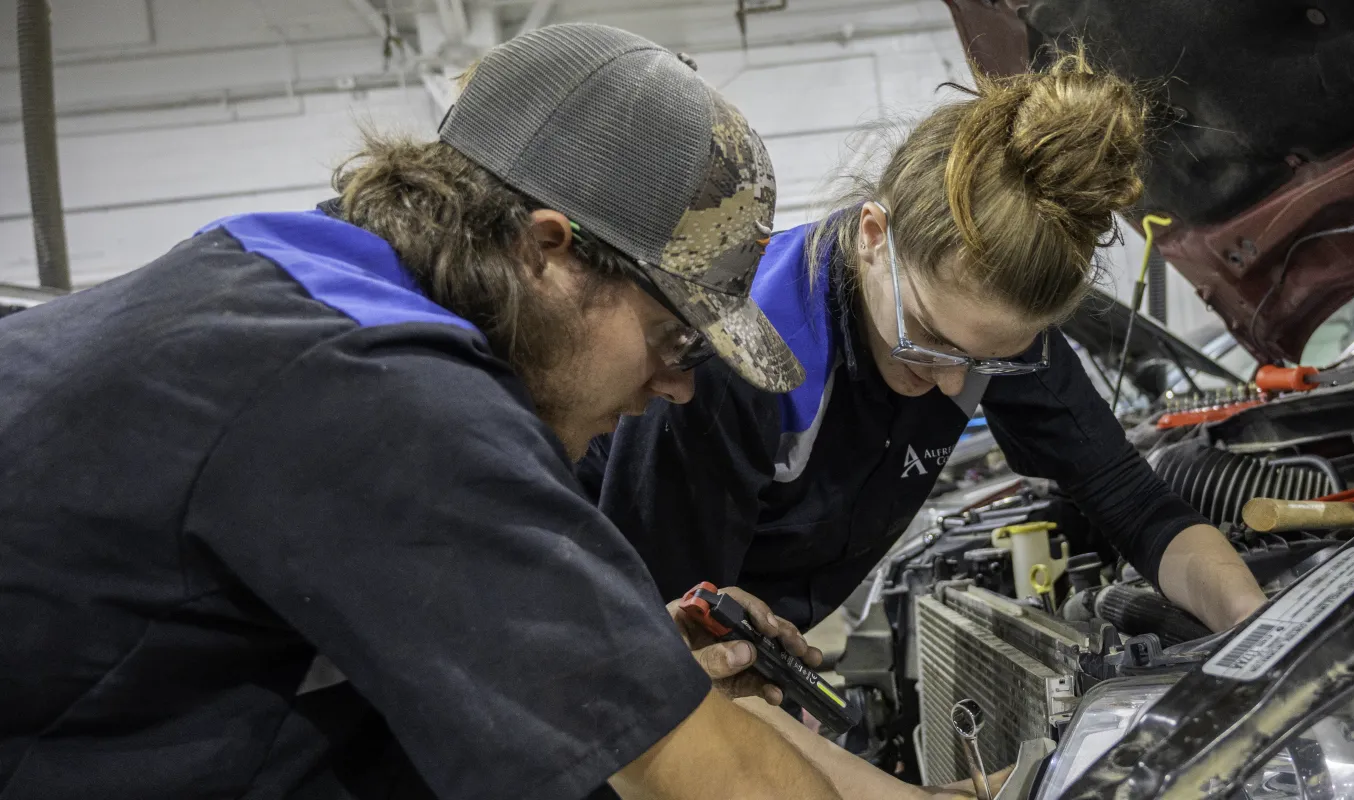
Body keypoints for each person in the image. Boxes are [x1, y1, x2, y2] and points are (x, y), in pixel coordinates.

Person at [0, 24, 851, 800]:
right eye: (672, 338)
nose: (676, 388)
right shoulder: (378, 392)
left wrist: (600, 666)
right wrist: (638, 704)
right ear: (549, 251)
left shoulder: (288, 269)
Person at [587, 49, 1267, 640]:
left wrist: (1255, 625)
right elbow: (664, 630)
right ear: (874, 237)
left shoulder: (992, 333)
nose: (952, 385)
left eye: (985, 361)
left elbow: (1134, 503)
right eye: (930, 339)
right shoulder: (747, 355)